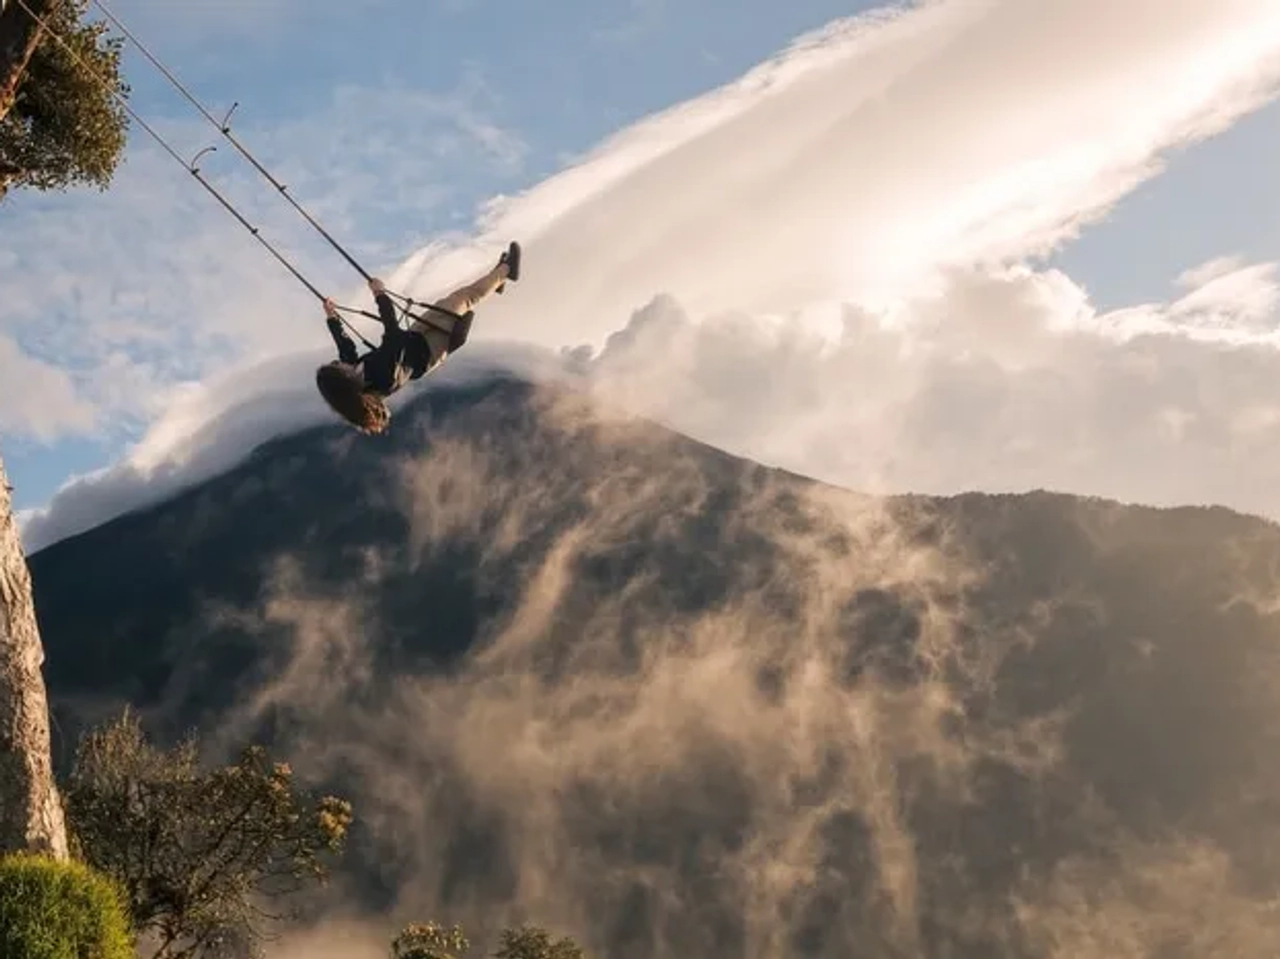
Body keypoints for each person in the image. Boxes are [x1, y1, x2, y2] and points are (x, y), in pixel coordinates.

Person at [315, 241, 521, 434]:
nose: (338, 363)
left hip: (414, 337)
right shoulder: (383, 379)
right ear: (345, 381)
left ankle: (496, 280)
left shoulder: (356, 375)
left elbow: (346, 349)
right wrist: (380, 295)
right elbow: (392, 335)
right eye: (336, 367)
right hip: (430, 350)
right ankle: (507, 271)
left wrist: (332, 318)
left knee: (455, 299)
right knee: (465, 298)